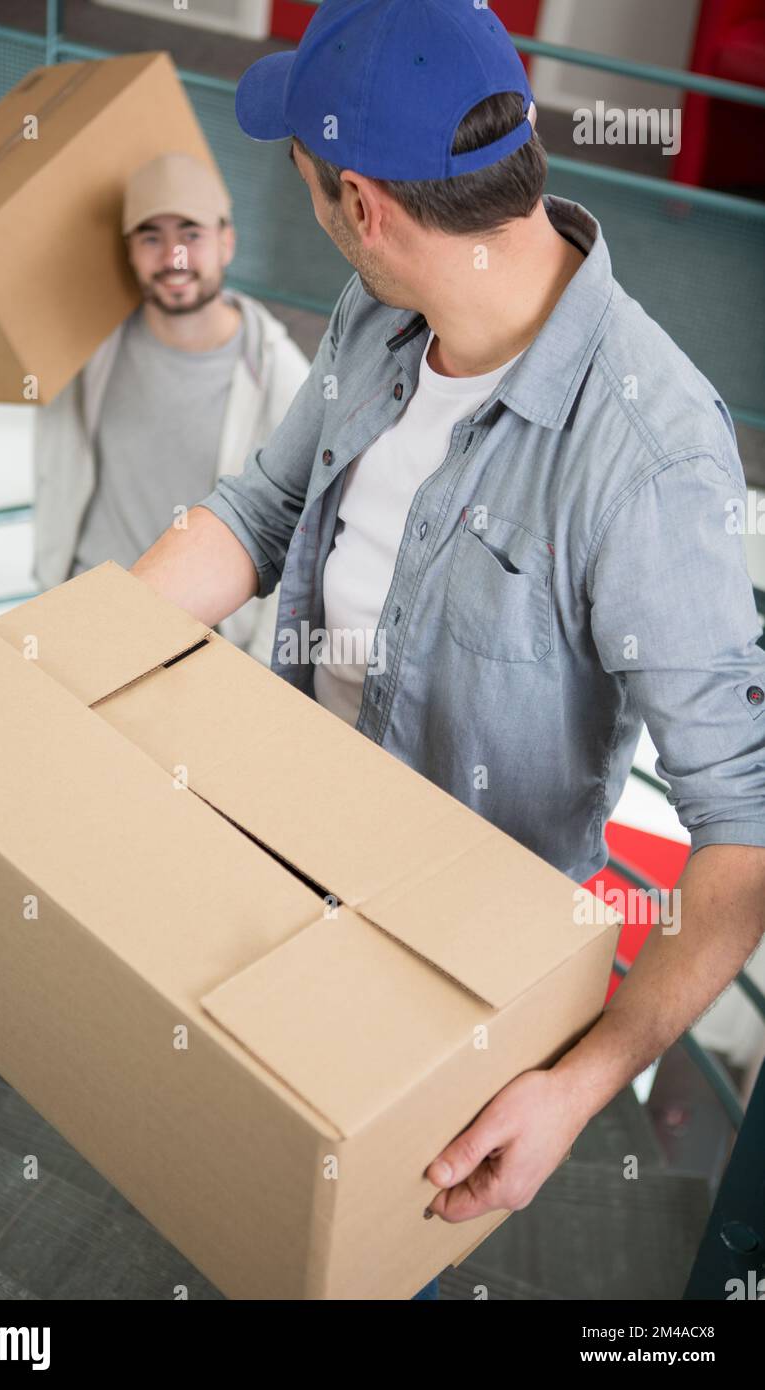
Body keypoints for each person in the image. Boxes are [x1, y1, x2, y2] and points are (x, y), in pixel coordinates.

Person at [130, 0, 765, 1300]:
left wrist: (576, 1084)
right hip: (285, 869)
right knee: (216, 1190)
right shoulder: (379, 318)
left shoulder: (648, 458)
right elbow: (261, 507)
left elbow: (743, 842)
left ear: (361, 203)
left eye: (305, 183)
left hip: (455, 1001)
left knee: (354, 1269)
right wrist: (67, 656)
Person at [32, 151, 309, 664]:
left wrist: (256, 663)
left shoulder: (280, 374)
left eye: (191, 234)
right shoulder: (88, 350)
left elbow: (303, 535)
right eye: (151, 237)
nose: (173, 256)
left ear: (227, 241)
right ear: (129, 252)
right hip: (77, 617)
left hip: (194, 647)